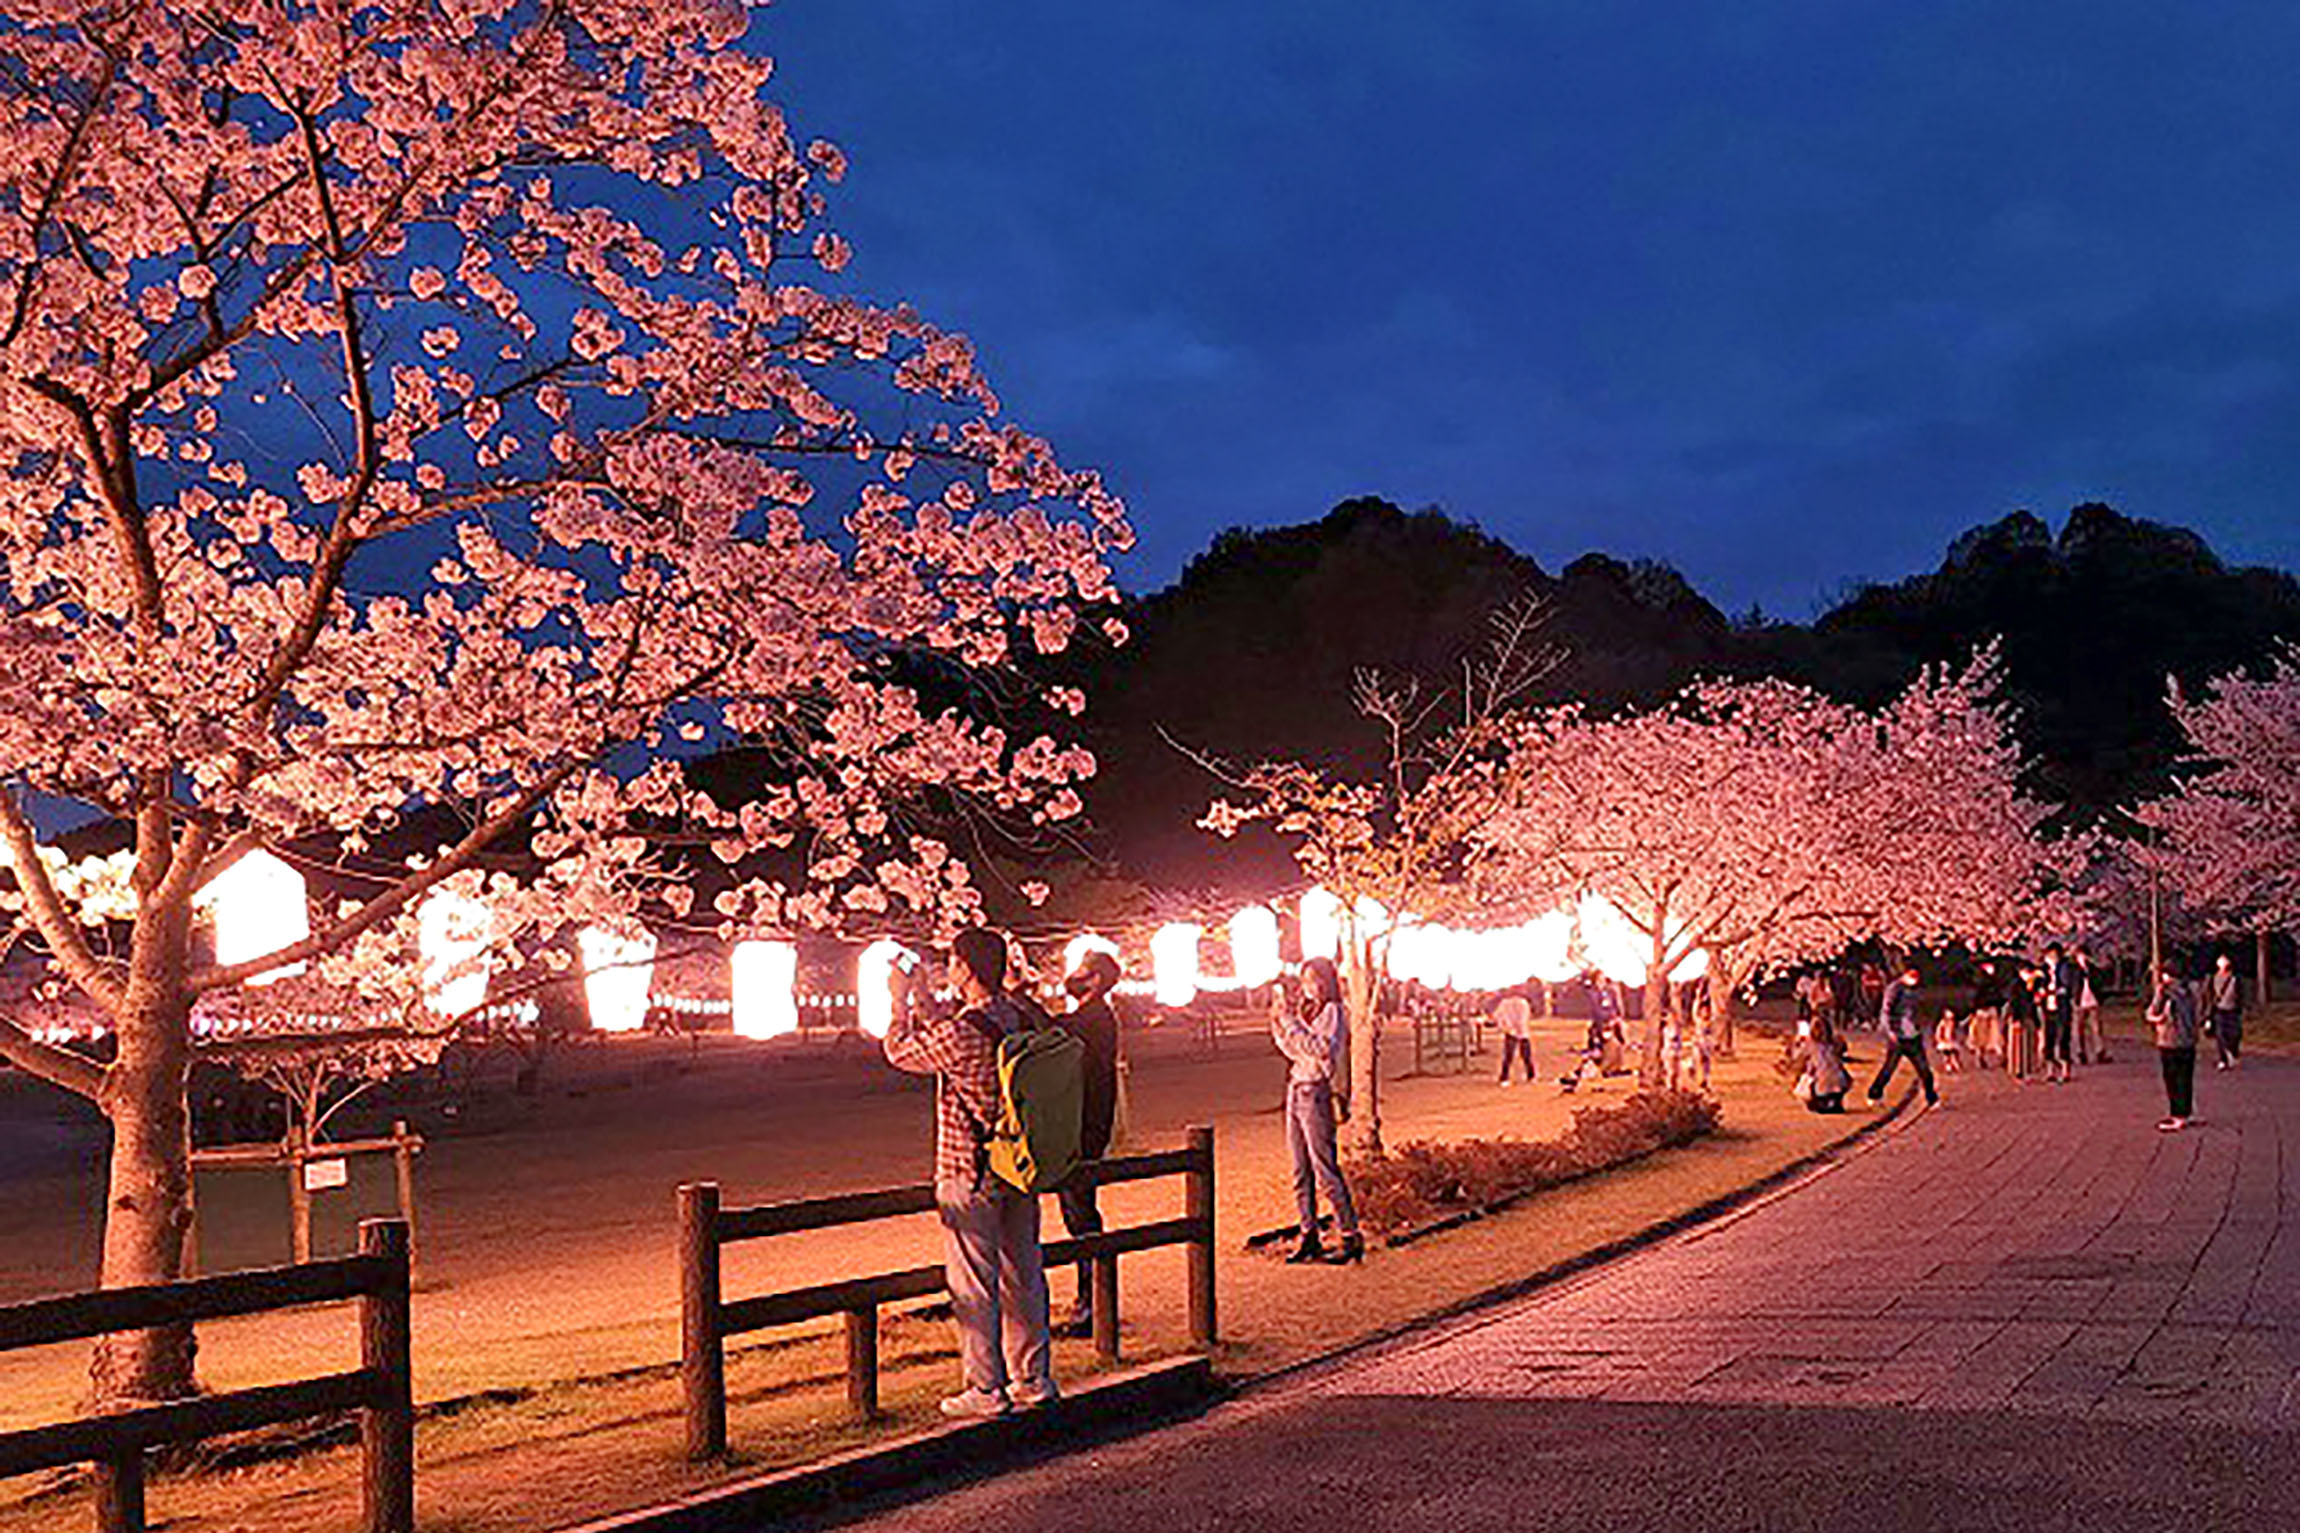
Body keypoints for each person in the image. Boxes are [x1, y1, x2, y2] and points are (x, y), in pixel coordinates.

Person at [883, 928, 1056, 1418]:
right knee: (1023, 1274)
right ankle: (1033, 1377)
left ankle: (985, 1387)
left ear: (964, 968)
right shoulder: (1024, 1018)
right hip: (1019, 1165)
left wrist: (898, 1002)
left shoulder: (962, 1033)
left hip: (968, 1170)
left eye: (952, 960)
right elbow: (956, 1030)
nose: (948, 966)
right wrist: (921, 996)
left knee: (974, 1284)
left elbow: (900, 1051)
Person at [1274, 959, 1362, 1265]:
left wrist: (1290, 1024)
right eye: (1304, 980)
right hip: (1296, 1089)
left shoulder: (1333, 1012)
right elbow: (1295, 1050)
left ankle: (1350, 1235)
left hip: (1314, 1092)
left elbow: (1320, 1048)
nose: (1307, 986)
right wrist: (1280, 1025)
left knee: (1324, 1168)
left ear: (1326, 981)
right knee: (1300, 1170)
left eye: (1312, 980)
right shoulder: (1309, 1012)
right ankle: (1308, 1233)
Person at [1052, 951, 1122, 1338]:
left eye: (1079, 970)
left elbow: (1054, 1026)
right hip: (1086, 1124)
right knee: (1078, 1211)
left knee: (1081, 1213)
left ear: (1094, 979)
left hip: (1085, 1127)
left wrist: (1016, 994)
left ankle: (1092, 1302)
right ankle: (1090, 1299)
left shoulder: (1094, 1018)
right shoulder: (1095, 1016)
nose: (1071, 976)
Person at [1866, 961, 1940, 1108]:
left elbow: (1918, 1010)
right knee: (1890, 1068)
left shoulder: (1914, 990)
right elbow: (1886, 1012)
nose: (1915, 979)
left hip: (1913, 1035)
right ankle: (1874, 1093)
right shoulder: (1895, 989)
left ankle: (1931, 1098)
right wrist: (1891, 1032)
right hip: (1899, 1036)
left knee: (1924, 1069)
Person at [2146, 964, 2199, 1131]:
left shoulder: (2165, 991)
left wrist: (2154, 1018)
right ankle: (2186, 1112)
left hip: (2170, 1039)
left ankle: (2177, 1114)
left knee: (2172, 1078)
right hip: (2188, 1040)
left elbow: (2154, 1012)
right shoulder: (2191, 991)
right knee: (2186, 1078)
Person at [1802, 1006, 1852, 1114]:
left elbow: (1809, 1064)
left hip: (1822, 1084)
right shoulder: (1835, 1043)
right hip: (1840, 1081)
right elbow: (1842, 1052)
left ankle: (1822, 1102)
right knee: (1838, 1076)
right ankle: (1835, 1102)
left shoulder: (1810, 1046)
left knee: (1814, 1080)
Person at [2040, 943, 2076, 1084]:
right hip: (2048, 1008)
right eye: (2049, 955)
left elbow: (2067, 987)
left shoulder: (2065, 968)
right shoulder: (2043, 970)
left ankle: (2065, 1069)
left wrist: (2055, 990)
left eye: (2054, 955)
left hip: (2062, 1007)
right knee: (2049, 1037)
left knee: (2063, 1038)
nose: (2051, 958)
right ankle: (2050, 1070)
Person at [2203, 952, 2244, 1070]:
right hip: (2219, 1009)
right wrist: (2207, 1012)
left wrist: (2240, 1006)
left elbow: (2240, 994)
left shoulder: (2235, 978)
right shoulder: (2213, 978)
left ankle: (2232, 1052)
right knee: (2220, 1034)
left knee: (2234, 1034)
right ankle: (2223, 1058)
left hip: (2233, 1009)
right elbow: (2208, 994)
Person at [1490, 986, 1537, 1086]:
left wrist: (1505, 1027)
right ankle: (1531, 1076)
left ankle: (1504, 1077)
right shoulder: (1523, 1003)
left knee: (1508, 1056)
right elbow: (1524, 1017)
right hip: (1522, 1031)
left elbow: (1497, 1016)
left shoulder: (1504, 1003)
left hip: (1510, 1031)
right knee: (1526, 1055)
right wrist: (1520, 1028)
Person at [2074, 945, 2108, 1064]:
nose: (2082, 958)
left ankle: (2100, 1051)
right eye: (2080, 955)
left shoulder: (2093, 969)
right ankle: (2080, 1052)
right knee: (2078, 1029)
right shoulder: (2074, 969)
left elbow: (2099, 981)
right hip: (2079, 1000)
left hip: (2092, 1000)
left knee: (2096, 1027)